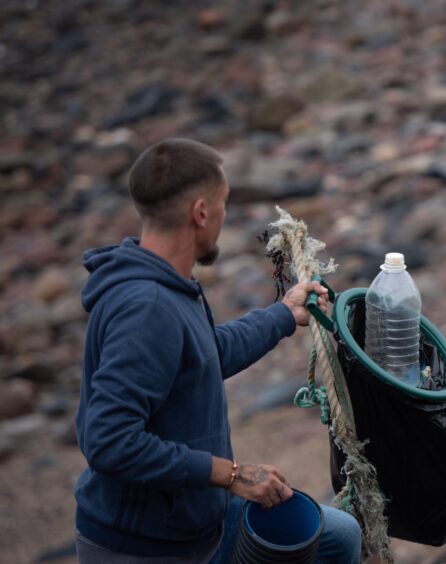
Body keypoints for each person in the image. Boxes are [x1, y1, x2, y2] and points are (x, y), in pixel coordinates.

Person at [74, 138, 362, 563]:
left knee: (338, 536)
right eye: (224, 203)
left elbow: (203, 356)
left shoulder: (169, 284)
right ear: (202, 212)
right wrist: (231, 475)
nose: (224, 217)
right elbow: (110, 441)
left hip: (198, 521)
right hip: (147, 546)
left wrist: (284, 315)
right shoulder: (147, 308)